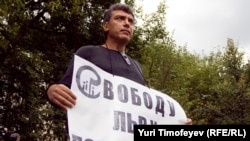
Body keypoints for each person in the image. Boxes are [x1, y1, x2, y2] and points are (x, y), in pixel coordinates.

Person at [46, 3, 192, 125]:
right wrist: (52, 91)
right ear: (106, 26)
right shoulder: (88, 53)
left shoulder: (137, 66)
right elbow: (64, 89)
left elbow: (144, 111)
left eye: (131, 21)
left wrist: (174, 121)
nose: (127, 23)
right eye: (120, 19)